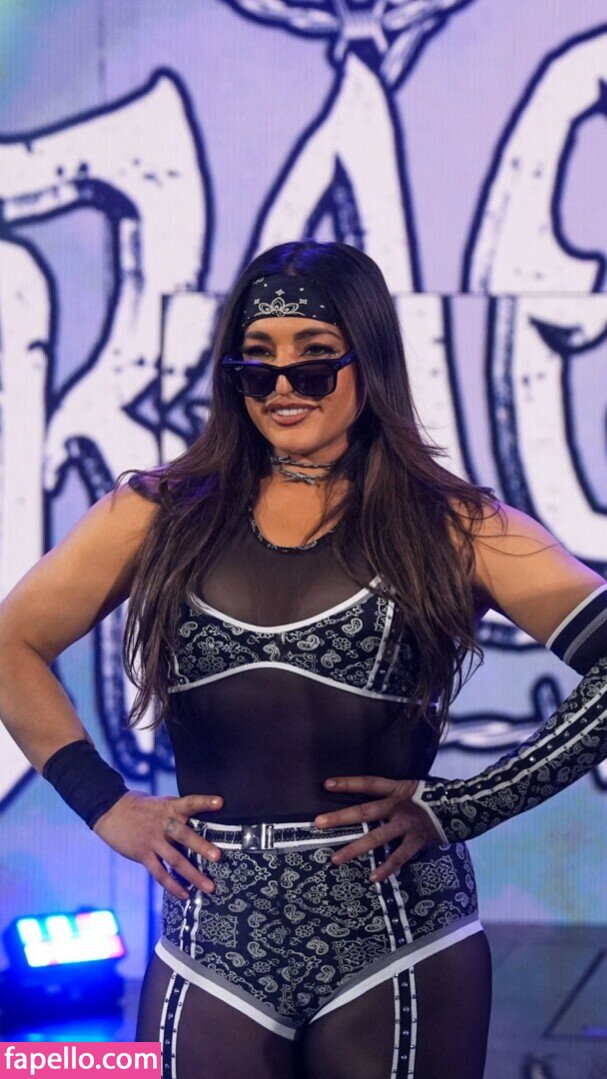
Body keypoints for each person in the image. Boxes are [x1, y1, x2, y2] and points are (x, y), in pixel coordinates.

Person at [0, 240, 605, 1079]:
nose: (283, 386)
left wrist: (469, 803)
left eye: (314, 362)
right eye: (258, 365)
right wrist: (104, 804)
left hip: (398, 937)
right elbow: (12, 642)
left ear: (370, 361)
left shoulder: (452, 526)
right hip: (213, 935)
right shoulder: (158, 514)